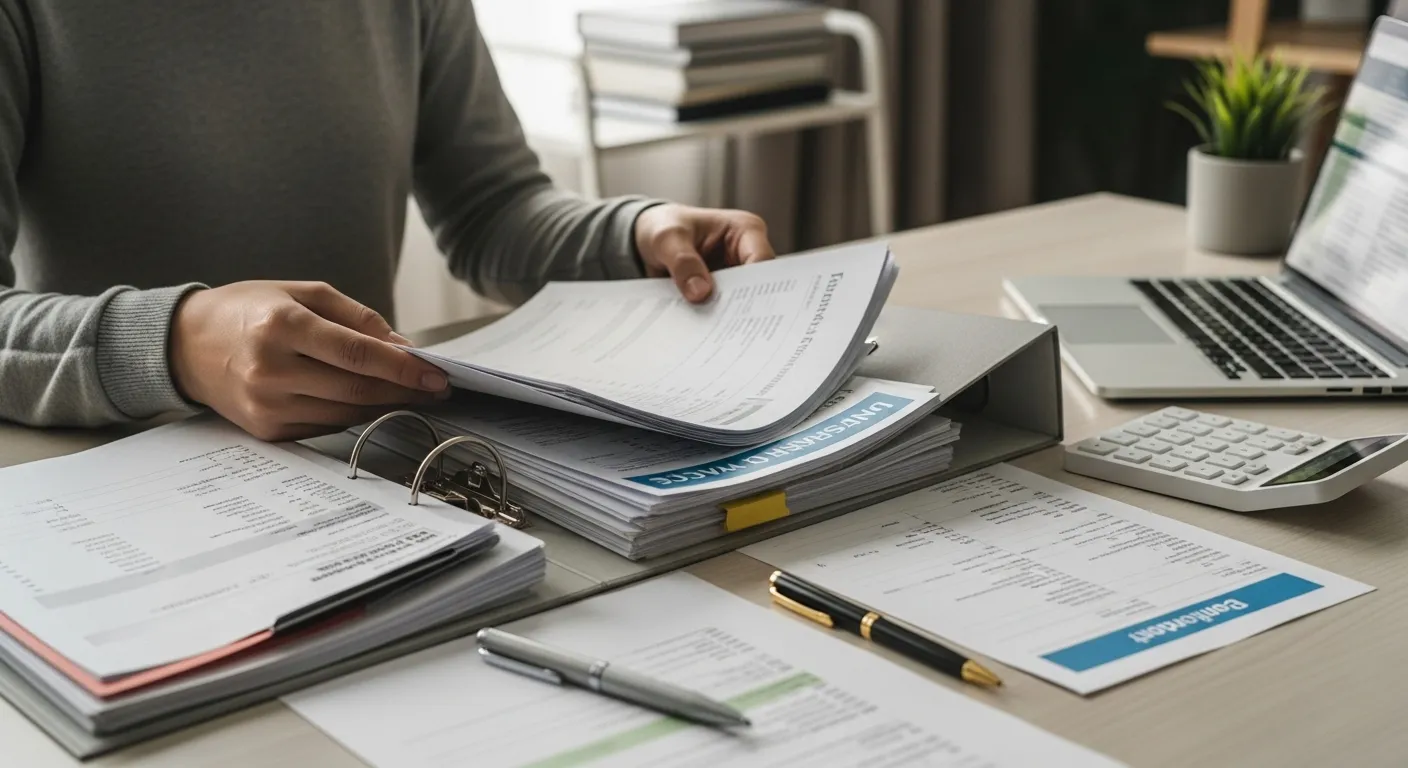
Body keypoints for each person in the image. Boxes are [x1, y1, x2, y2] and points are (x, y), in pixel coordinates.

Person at [0, 1, 776, 440]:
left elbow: (492, 210)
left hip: (370, 464)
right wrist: (173, 344)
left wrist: (632, 235)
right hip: (104, 483)